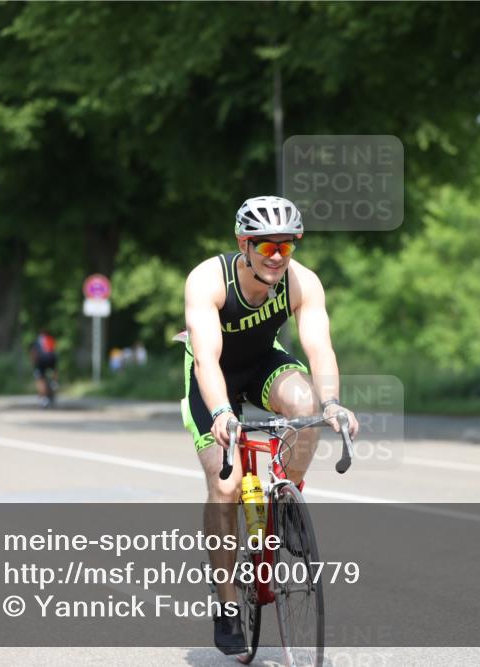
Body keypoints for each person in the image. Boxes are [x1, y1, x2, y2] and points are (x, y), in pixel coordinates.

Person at [181, 195, 359, 654]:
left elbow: (319, 347)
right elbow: (206, 358)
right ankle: (225, 604)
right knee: (226, 486)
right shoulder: (208, 279)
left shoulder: (302, 282)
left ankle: (287, 499)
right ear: (244, 244)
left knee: (308, 408)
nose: (278, 257)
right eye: (267, 248)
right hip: (214, 374)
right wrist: (221, 412)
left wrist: (334, 403)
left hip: (262, 364)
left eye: (287, 247)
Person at [30, 330, 58, 407]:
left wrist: (33, 363)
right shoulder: (50, 339)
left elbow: (34, 353)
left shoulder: (37, 341)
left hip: (41, 360)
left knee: (40, 379)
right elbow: (54, 350)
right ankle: (54, 382)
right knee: (54, 369)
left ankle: (44, 398)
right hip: (52, 358)